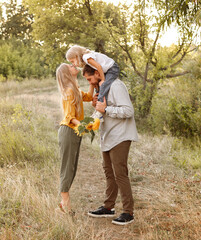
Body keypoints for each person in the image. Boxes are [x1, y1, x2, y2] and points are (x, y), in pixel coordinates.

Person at [82, 64, 138, 225]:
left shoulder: (116, 85)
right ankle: (108, 207)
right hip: (108, 136)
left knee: (120, 173)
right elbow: (102, 111)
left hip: (120, 135)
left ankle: (128, 212)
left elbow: (128, 111)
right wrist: (96, 111)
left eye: (90, 78)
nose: (90, 83)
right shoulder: (103, 87)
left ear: (97, 73)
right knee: (108, 172)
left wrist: (106, 110)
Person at [56, 63, 94, 214]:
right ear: (67, 72)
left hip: (74, 131)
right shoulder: (69, 91)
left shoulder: (75, 89)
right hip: (69, 131)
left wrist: (92, 82)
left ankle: (63, 202)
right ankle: (65, 204)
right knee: (67, 168)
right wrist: (84, 126)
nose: (74, 66)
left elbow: (89, 97)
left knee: (72, 167)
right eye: (70, 66)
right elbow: (70, 118)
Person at [66, 45, 120, 122]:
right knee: (98, 88)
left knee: (103, 85)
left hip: (112, 69)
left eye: (72, 61)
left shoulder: (86, 57)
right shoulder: (86, 59)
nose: (73, 64)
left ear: (77, 56)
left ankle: (99, 112)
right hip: (107, 70)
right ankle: (97, 109)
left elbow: (99, 66)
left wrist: (103, 79)